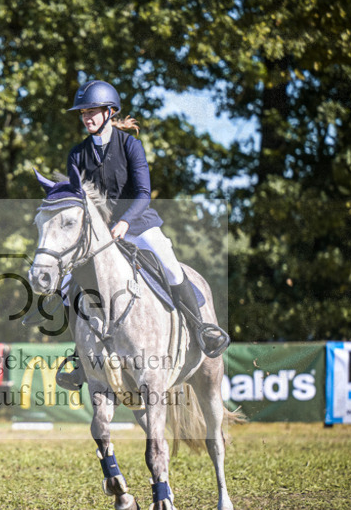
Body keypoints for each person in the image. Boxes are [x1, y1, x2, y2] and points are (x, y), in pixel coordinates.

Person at [56, 80, 230, 389]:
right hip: (98, 239)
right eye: (83, 112)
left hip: (138, 225)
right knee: (67, 283)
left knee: (169, 265)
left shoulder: (129, 146)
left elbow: (143, 194)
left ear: (110, 112)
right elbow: (76, 199)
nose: (86, 117)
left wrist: (123, 223)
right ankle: (80, 358)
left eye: (93, 111)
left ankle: (201, 329)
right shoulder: (77, 154)